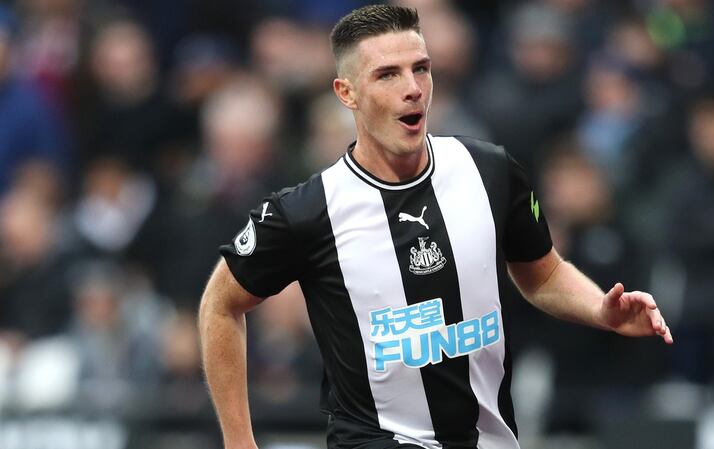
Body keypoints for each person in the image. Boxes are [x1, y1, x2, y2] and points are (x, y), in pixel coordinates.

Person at [198, 5, 672, 449]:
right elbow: (220, 304)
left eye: (420, 68)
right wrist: (240, 441)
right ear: (348, 93)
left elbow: (542, 274)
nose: (413, 87)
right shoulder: (307, 211)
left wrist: (599, 309)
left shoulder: (490, 170)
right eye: (388, 74)